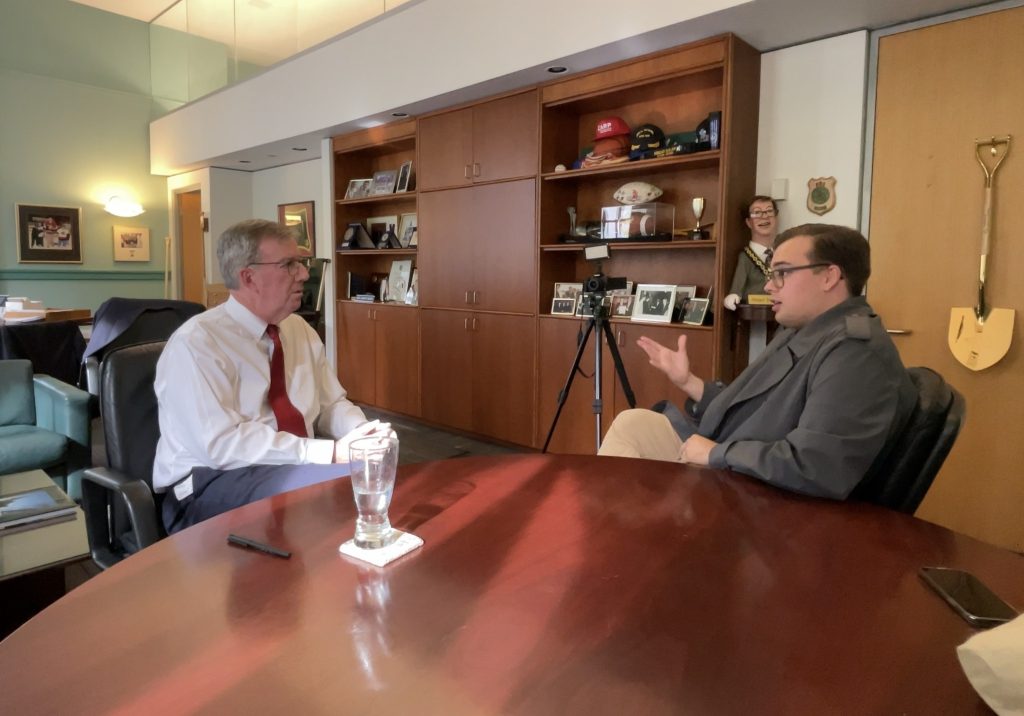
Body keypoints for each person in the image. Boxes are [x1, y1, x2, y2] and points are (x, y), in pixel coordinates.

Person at [598, 223, 917, 501]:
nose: (768, 285)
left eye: (782, 273)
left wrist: (715, 453)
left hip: (761, 491)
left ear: (829, 276)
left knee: (630, 483)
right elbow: (752, 405)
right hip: (739, 458)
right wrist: (688, 382)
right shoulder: (805, 330)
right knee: (634, 424)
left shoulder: (855, 354)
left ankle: (629, 540)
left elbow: (817, 465)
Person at [154, 219, 388, 533]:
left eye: (301, 263)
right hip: (209, 481)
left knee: (371, 474)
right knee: (337, 492)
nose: (305, 274)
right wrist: (329, 452)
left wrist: (363, 433)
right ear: (249, 278)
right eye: (290, 265)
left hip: (286, 464)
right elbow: (221, 446)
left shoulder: (298, 329)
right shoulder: (197, 344)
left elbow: (331, 403)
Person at [723, 196, 779, 310]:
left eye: (769, 211)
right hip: (754, 312)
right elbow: (737, 286)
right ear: (749, 222)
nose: (764, 217)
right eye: (757, 213)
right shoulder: (745, 257)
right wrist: (734, 295)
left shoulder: (782, 253)